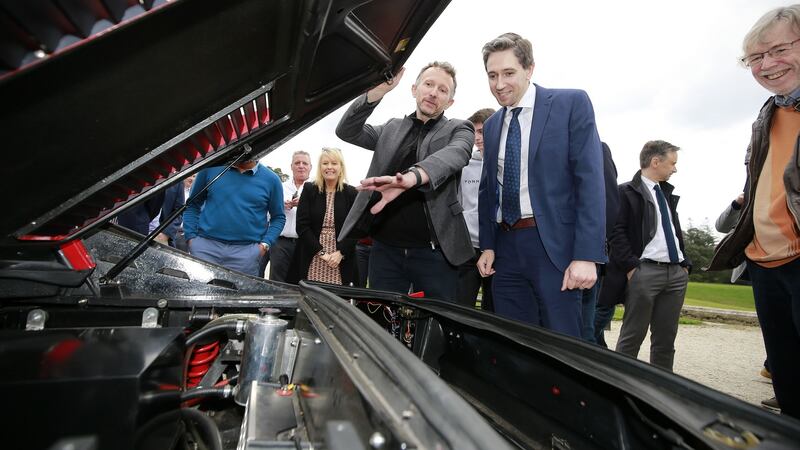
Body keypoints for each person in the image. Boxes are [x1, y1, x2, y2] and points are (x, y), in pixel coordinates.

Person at [476, 33, 606, 336]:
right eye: (492, 75)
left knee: (563, 348)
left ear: (529, 69)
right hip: (506, 251)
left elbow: (589, 181)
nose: (499, 84)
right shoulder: (493, 124)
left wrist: (586, 255)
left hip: (554, 248)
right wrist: (489, 245)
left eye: (508, 73)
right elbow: (488, 190)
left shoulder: (570, 103)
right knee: (516, 344)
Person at [708, 5, 800, 419]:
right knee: (788, 381)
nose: (767, 65)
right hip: (765, 264)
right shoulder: (768, 114)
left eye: (778, 49)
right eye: (756, 58)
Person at [335, 62, 474, 302]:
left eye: (443, 90)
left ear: (449, 102)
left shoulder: (459, 129)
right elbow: (347, 131)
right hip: (385, 250)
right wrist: (376, 93)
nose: (433, 92)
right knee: (381, 321)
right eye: (428, 84)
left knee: (435, 328)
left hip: (436, 253)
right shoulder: (390, 128)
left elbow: (457, 154)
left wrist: (414, 176)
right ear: (414, 89)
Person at [604, 140, 690, 372]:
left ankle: (663, 388)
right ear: (655, 161)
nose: (675, 168)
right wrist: (632, 267)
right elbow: (615, 231)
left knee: (665, 339)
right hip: (645, 272)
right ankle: (621, 384)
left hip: (675, 273)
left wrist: (684, 265)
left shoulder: (667, 194)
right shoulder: (625, 192)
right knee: (632, 336)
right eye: (672, 163)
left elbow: (673, 230)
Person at [182, 160, 285, 277]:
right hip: (205, 248)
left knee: (237, 295)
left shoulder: (271, 180)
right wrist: (191, 238)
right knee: (196, 293)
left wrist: (264, 245)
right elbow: (192, 204)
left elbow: (278, 217)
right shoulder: (210, 169)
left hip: (246, 255)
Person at [288, 148, 358, 285]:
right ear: (320, 167)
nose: (329, 167)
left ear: (341, 167)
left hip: (340, 258)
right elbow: (302, 226)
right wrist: (322, 253)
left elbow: (356, 228)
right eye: (325, 163)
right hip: (312, 253)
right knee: (310, 297)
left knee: (337, 301)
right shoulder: (309, 189)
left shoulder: (351, 193)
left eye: (334, 163)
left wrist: (341, 253)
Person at [456, 107, 496, 310]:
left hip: (498, 249)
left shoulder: (507, 164)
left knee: (494, 309)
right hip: (468, 248)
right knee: (462, 306)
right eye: (474, 133)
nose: (477, 138)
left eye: (482, 132)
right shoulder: (464, 165)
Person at [581, 142, 619, 343]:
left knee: (582, 332)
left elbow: (609, 204)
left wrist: (587, 253)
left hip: (580, 257)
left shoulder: (596, 147)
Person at [269, 150, 312, 282]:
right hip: (280, 243)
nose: (301, 166)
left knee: (302, 282)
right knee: (277, 282)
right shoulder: (280, 187)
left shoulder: (316, 189)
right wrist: (280, 207)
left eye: (305, 163)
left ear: (310, 167)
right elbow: (266, 213)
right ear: (291, 166)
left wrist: (306, 205)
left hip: (305, 244)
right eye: (297, 163)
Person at [115, 182, 185, 247]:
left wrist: (166, 234)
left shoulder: (178, 181)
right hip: (132, 232)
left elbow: (179, 211)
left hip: (161, 239)